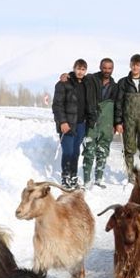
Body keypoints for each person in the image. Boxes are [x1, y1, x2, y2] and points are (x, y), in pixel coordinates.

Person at [52, 59, 94, 189]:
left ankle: (74, 176)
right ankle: (65, 177)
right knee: (68, 151)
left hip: (81, 124)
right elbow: (57, 106)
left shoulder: (87, 83)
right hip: (68, 124)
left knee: (76, 152)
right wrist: (63, 122)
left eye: (83, 69)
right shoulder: (63, 83)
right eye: (78, 69)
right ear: (74, 68)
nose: (80, 72)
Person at [81, 58, 118, 188]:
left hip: (107, 122)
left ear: (112, 69)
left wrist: (117, 123)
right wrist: (66, 75)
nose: (107, 70)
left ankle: (99, 179)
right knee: (89, 150)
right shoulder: (91, 79)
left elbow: (118, 106)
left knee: (103, 150)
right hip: (92, 119)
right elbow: (77, 76)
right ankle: (86, 180)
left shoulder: (115, 86)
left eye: (109, 68)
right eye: (104, 67)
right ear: (100, 67)